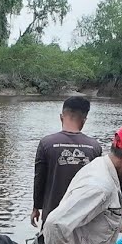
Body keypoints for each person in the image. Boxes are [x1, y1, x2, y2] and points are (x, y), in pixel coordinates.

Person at [31, 96, 102, 228]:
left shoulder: (46, 143)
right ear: (84, 120)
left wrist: (36, 207)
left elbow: (39, 179)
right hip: (82, 217)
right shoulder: (94, 147)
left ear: (61, 117)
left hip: (52, 215)